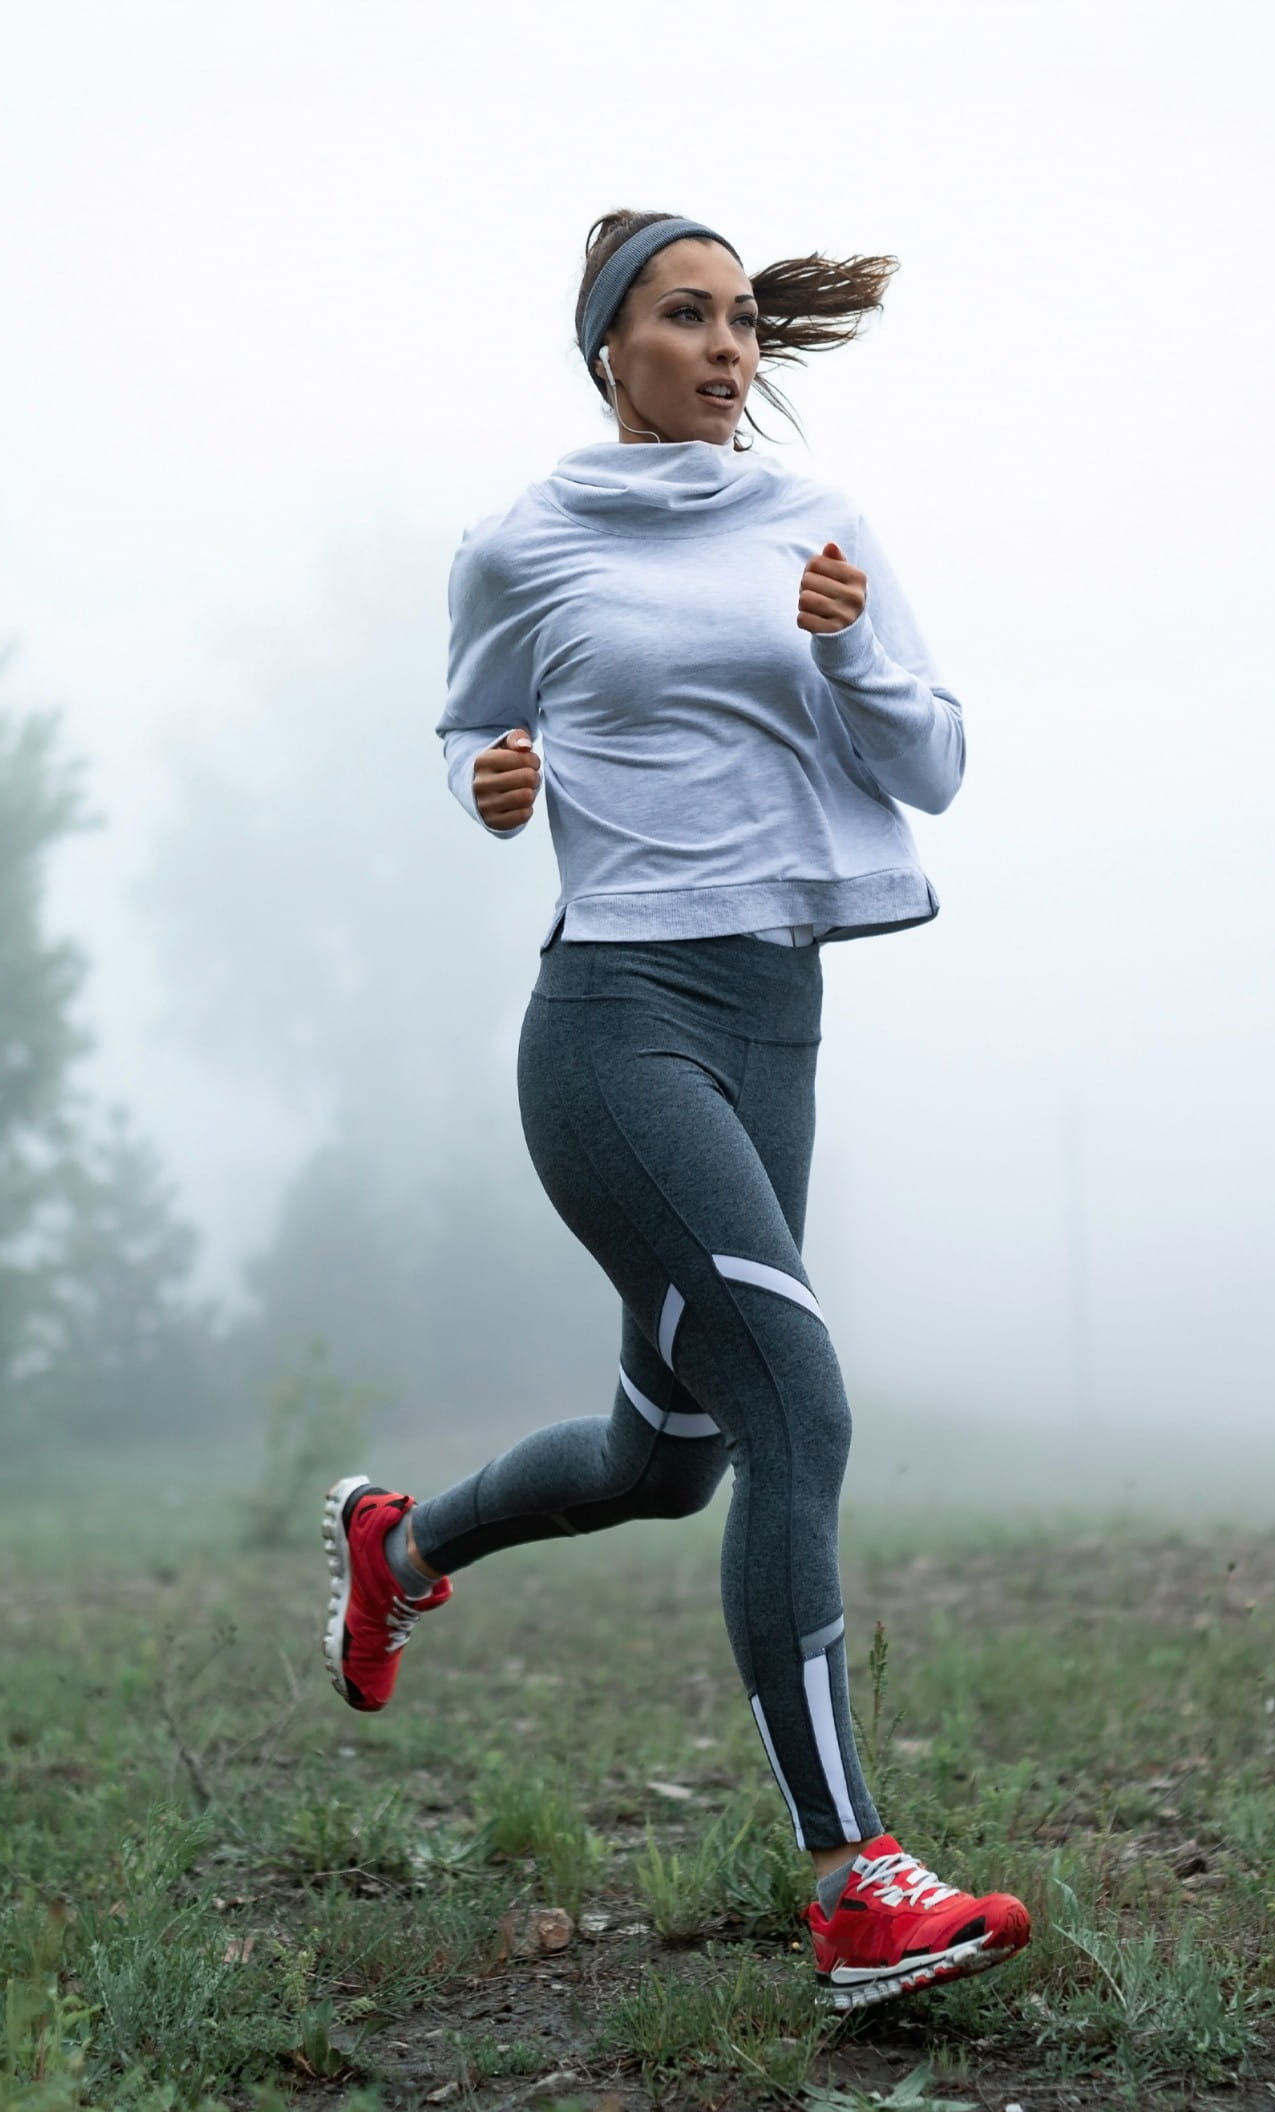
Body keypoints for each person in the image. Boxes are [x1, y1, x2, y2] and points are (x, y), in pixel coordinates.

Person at [319, 210, 1029, 2012]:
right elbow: (484, 744)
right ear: (607, 346)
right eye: (686, 317)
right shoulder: (519, 543)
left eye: (739, 325)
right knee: (796, 1399)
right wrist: (497, 789)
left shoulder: (821, 526)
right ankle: (857, 1886)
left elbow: (930, 763)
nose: (726, 351)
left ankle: (401, 1547)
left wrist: (854, 648)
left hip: (772, 1021)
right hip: (615, 1028)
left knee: (673, 1457)